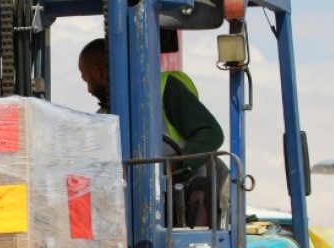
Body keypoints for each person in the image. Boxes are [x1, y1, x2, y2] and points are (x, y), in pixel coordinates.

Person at [78, 38, 226, 228]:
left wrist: (171, 168)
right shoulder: (103, 117)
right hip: (134, 204)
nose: (89, 89)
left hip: (178, 196)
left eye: (85, 79)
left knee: (199, 189)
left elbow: (211, 133)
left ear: (95, 72)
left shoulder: (165, 88)